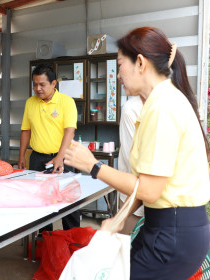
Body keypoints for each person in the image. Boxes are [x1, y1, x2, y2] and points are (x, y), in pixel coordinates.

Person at [64, 26, 210, 279]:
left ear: (140, 63)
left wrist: (93, 166)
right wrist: (119, 217)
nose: (118, 74)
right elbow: (149, 184)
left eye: (120, 64)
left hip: (172, 235)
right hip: (172, 230)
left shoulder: (162, 107)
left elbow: (149, 189)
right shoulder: (159, 103)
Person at [18, 64, 80, 231]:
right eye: (34, 84)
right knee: (41, 201)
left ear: (54, 83)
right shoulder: (30, 103)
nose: (37, 88)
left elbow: (69, 131)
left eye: (42, 84)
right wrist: (22, 155)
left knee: (68, 200)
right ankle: (45, 237)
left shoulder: (66, 102)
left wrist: (60, 157)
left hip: (63, 157)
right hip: (38, 158)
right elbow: (26, 130)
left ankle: (73, 238)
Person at [118, 96, 144, 235]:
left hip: (140, 192)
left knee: (128, 248)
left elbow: (136, 167)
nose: (118, 76)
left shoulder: (131, 108)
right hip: (134, 191)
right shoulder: (131, 108)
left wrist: (94, 167)